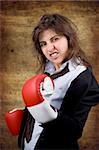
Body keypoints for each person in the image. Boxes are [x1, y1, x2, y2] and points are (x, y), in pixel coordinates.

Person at [18, 13, 99, 150]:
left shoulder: (81, 77)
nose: (49, 49)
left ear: (69, 38)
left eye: (55, 39)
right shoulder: (48, 70)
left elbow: (74, 131)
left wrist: (47, 114)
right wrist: (25, 116)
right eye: (43, 44)